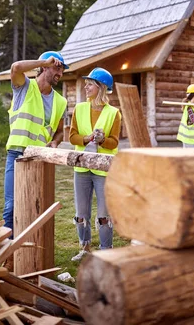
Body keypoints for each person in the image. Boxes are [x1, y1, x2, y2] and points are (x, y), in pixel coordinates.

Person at [3, 51, 68, 235]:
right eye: (57, 67)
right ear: (44, 67)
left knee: (34, 206)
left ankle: (28, 252)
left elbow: (60, 131)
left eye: (62, 70)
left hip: (40, 158)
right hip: (17, 154)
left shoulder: (61, 102)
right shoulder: (24, 87)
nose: (60, 74)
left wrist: (55, 143)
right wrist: (44, 61)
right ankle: (7, 256)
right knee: (11, 206)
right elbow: (16, 68)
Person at [69, 67, 121, 261]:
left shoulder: (114, 113)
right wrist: (87, 138)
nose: (86, 86)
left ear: (101, 87)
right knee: (81, 213)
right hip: (81, 168)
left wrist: (102, 140)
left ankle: (106, 251)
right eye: (86, 83)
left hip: (103, 170)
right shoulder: (79, 108)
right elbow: (72, 136)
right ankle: (85, 248)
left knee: (103, 215)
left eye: (90, 84)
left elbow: (114, 142)